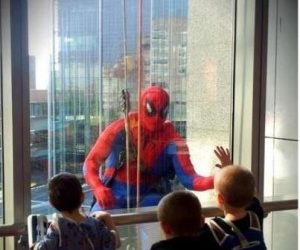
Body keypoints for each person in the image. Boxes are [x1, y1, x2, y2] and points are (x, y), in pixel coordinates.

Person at [83, 85, 230, 211]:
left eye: (161, 113)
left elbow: (190, 179)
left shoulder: (172, 139)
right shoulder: (121, 128)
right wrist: (98, 187)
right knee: (98, 221)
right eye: (151, 111)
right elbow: (91, 163)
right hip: (115, 192)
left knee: (156, 223)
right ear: (142, 107)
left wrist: (221, 177)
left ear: (166, 111)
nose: (156, 119)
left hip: (150, 194)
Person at [33, 172, 121, 250]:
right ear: (82, 197)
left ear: (51, 203)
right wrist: (107, 217)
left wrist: (35, 245)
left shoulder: (57, 228)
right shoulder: (96, 225)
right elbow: (115, 243)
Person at [199, 165, 267, 249]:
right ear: (253, 194)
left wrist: (199, 228)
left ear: (220, 199)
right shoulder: (256, 214)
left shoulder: (212, 230)